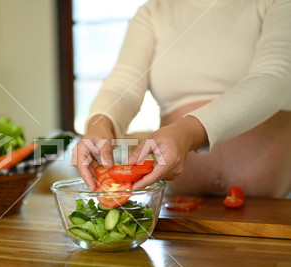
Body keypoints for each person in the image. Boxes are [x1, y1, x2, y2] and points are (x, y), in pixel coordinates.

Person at [72, 0, 291, 198]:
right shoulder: (153, 11)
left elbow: (276, 78)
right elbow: (123, 84)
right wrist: (100, 124)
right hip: (179, 209)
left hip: (274, 207)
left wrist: (187, 133)